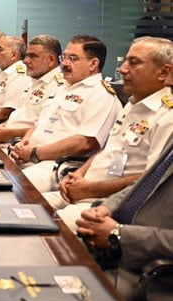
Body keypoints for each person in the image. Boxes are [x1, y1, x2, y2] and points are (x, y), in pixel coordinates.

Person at [45, 37, 173, 231]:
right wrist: (77, 174)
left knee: (42, 229)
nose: (122, 69)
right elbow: (107, 150)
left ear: (163, 72)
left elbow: (149, 182)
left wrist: (88, 189)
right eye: (126, 61)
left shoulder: (167, 117)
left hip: (106, 206)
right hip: (81, 191)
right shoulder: (132, 103)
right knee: (24, 206)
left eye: (134, 62)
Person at [76, 132, 173, 301]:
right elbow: (144, 184)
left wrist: (120, 235)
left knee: (69, 300)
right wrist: (106, 208)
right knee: (51, 260)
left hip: (152, 279)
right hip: (117, 250)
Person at [10, 35, 122, 192]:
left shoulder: (101, 96)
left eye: (73, 59)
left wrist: (35, 153)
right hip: (30, 155)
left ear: (93, 64)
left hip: (55, 165)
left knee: (14, 188)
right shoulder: (64, 88)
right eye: (65, 57)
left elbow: (84, 143)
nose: (65, 63)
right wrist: (25, 143)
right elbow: (39, 124)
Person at [0, 34, 66, 144]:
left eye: (33, 56)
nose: (26, 61)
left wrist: (8, 133)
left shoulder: (59, 86)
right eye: (27, 55)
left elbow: (46, 129)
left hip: (21, 143)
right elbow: (21, 114)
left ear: (51, 60)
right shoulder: (35, 80)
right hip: (5, 136)